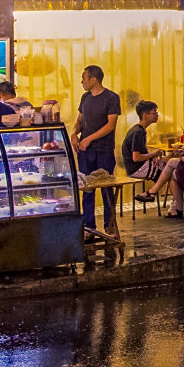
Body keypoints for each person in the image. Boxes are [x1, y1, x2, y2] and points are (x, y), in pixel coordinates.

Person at [69, 65, 122, 244]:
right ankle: (88, 227)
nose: (81, 81)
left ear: (94, 79)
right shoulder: (85, 97)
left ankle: (110, 226)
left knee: (106, 188)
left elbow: (110, 125)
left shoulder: (112, 98)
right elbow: (80, 120)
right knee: (87, 188)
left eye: (84, 78)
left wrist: (89, 138)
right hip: (85, 151)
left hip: (104, 149)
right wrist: (75, 134)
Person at [121, 100, 161, 185]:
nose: (157, 115)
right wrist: (154, 154)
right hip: (136, 169)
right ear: (145, 115)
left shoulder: (139, 130)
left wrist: (151, 156)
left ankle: (153, 193)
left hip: (138, 166)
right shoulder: (138, 132)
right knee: (168, 171)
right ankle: (151, 193)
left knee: (167, 165)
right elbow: (136, 157)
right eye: (154, 113)